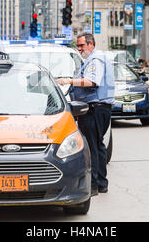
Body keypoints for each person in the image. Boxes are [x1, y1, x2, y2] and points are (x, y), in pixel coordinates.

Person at [57, 33, 115, 196]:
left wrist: (68, 81)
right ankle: (102, 183)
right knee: (98, 145)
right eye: (79, 45)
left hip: (95, 108)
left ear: (90, 44)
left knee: (92, 147)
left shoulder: (95, 60)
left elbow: (91, 81)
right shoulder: (95, 59)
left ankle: (94, 185)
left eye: (82, 45)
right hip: (100, 108)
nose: (79, 49)